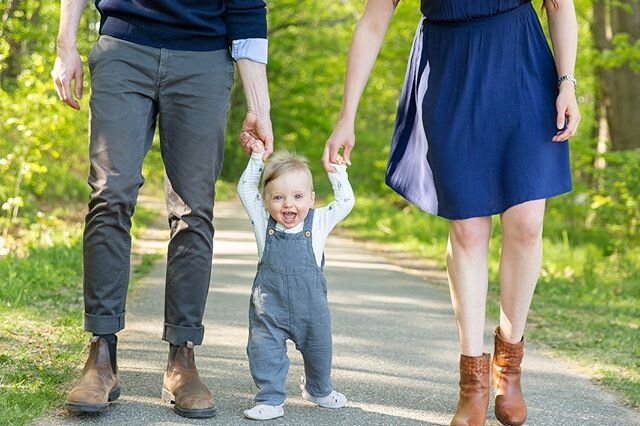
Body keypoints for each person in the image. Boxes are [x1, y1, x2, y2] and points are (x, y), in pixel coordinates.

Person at [323, 1, 580, 425]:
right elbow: (372, 22)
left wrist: (567, 82)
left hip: (523, 66)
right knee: (467, 229)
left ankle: (509, 368)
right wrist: (346, 115)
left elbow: (559, 4)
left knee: (527, 223)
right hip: (447, 71)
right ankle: (472, 381)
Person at [51, 0, 273, 418]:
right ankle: (101, 354)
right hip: (122, 48)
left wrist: (258, 107)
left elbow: (247, 6)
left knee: (194, 211)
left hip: (205, 59)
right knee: (109, 195)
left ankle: (182, 360)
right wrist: (66, 45)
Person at [236, 135, 355, 420]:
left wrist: (336, 172)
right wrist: (256, 159)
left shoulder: (319, 221)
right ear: (265, 201)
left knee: (319, 351)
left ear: (311, 199)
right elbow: (244, 188)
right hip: (269, 309)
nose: (288, 205)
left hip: (311, 312)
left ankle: (319, 389)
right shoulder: (263, 222)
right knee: (264, 352)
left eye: (298, 197)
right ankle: (270, 399)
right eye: (278, 197)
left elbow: (346, 201)